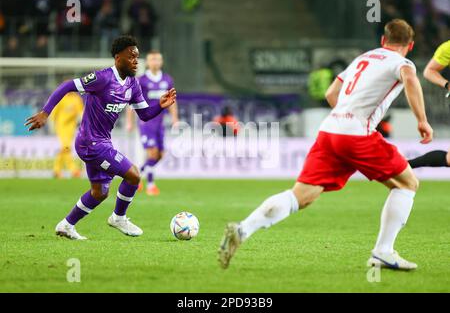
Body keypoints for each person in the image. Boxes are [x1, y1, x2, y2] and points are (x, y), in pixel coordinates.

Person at [218, 19, 433, 271]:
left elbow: (331, 94)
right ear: (410, 45)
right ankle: (383, 251)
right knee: (408, 183)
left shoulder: (363, 58)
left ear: (383, 41)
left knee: (301, 196)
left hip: (330, 130)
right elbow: (409, 77)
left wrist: (345, 118)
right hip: (357, 135)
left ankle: (243, 229)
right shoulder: (403, 63)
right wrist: (422, 120)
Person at [25, 36, 177, 240]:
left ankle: (66, 225)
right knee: (133, 175)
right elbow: (68, 86)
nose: (135, 61)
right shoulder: (103, 78)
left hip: (102, 142)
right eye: (131, 56)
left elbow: (145, 114)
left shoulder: (133, 84)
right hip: (90, 143)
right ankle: (119, 217)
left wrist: (160, 105)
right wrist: (46, 112)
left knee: (100, 192)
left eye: (137, 57)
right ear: (118, 58)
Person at [126, 51, 178, 196]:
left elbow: (172, 100)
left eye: (157, 59)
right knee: (153, 153)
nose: (155, 62)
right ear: (148, 63)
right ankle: (150, 186)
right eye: (152, 60)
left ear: (161, 62)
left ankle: (135, 177)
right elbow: (132, 102)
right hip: (146, 121)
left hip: (160, 123)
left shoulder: (167, 79)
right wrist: (129, 122)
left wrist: (175, 118)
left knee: (160, 155)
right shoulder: (141, 80)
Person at [409, 40, 450, 168]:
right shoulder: (448, 47)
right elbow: (429, 71)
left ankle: (403, 166)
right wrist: (447, 84)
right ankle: (402, 166)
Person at [50, 91, 84, 179]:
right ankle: (73, 170)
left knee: (64, 148)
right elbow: (54, 112)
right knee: (66, 146)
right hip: (61, 126)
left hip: (71, 127)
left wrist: (83, 121)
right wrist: (52, 124)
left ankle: (56, 170)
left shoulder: (76, 98)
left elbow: (81, 112)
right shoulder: (61, 97)